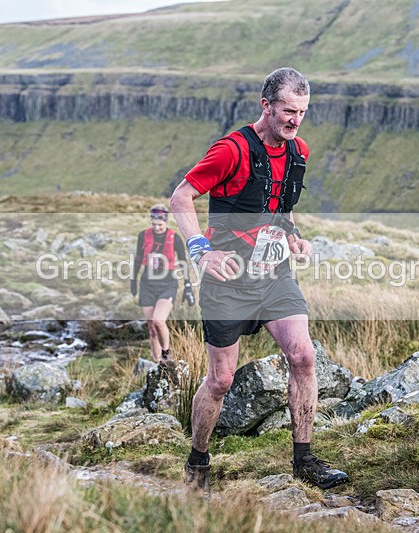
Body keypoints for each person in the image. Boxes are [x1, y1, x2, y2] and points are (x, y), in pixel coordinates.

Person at [170, 67, 348, 494]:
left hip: (274, 275)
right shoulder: (231, 150)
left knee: (303, 356)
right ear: (266, 106)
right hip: (228, 281)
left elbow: (281, 208)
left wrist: (294, 237)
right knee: (221, 380)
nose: (296, 120)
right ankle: (198, 461)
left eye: (302, 112)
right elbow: (180, 197)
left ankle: (304, 461)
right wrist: (201, 250)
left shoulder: (298, 151)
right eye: (288, 111)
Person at [130, 204, 195, 363]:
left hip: (167, 284)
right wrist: (133, 280)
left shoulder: (175, 238)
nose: (157, 228)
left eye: (160, 224)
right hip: (147, 285)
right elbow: (138, 258)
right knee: (152, 328)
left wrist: (188, 286)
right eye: (154, 224)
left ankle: (166, 354)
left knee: (158, 321)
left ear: (165, 221)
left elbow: (183, 263)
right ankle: (158, 363)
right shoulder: (143, 235)